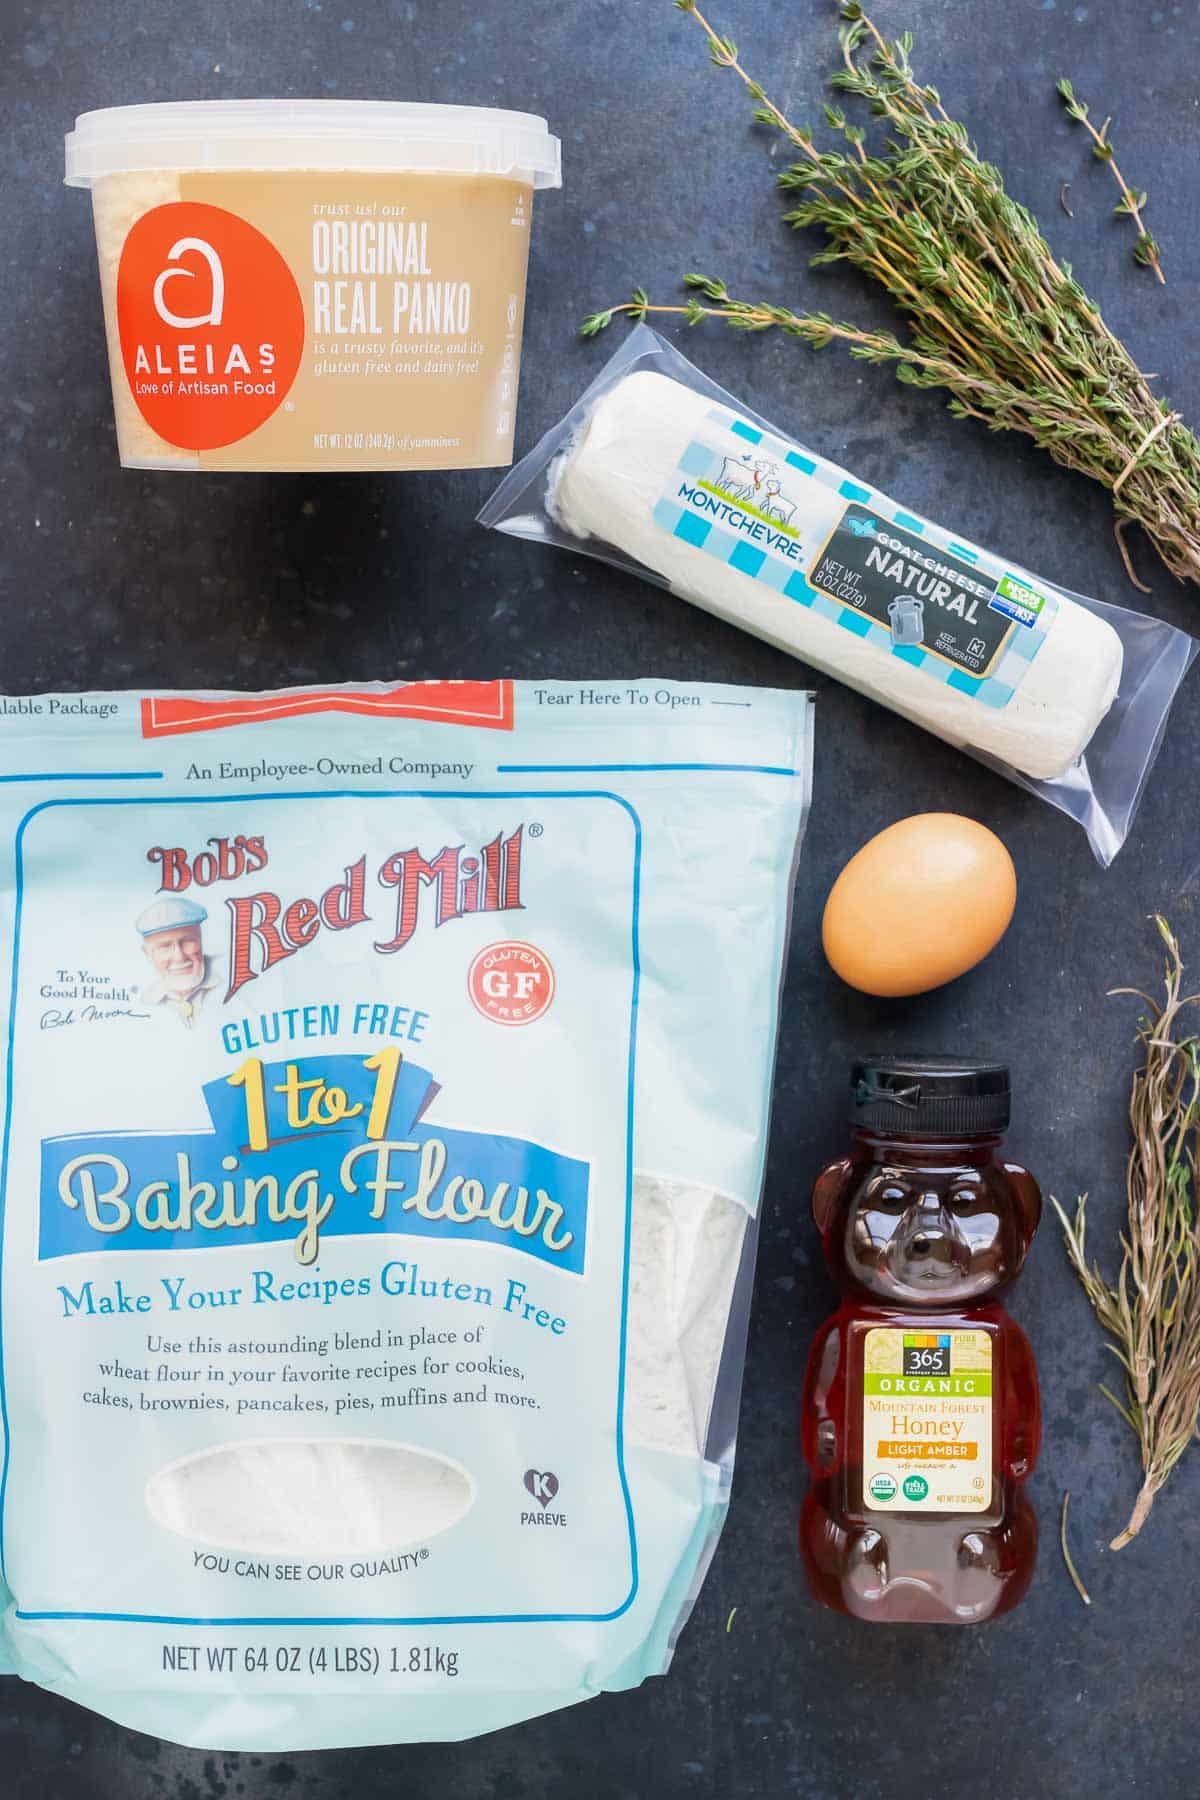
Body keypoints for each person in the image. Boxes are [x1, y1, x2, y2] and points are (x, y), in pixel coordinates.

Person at [136, 895, 223, 1028]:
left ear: (201, 940)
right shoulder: (145, 1004)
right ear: (148, 954)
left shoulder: (229, 976)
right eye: (164, 946)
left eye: (188, 941)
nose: (179, 957)